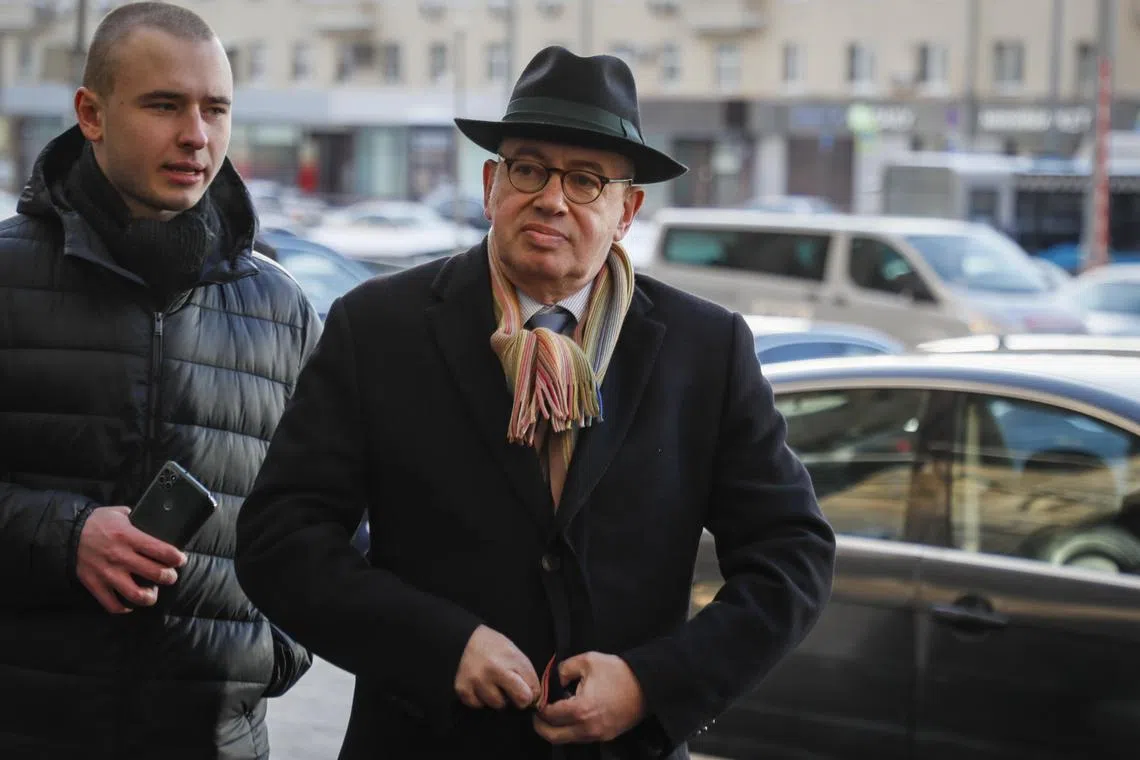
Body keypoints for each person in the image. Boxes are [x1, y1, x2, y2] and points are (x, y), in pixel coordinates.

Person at [235, 46, 835, 760]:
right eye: (529, 169)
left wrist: (651, 684)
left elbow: (792, 553)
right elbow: (281, 538)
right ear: (492, 184)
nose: (552, 198)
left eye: (587, 180)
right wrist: (439, 646)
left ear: (627, 210)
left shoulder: (705, 350)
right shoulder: (378, 327)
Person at [0, 3, 320, 758]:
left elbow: (336, 526)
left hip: (214, 741)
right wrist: (66, 535)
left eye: (215, 109)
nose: (196, 136)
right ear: (92, 113)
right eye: (164, 105)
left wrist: (266, 658)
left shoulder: (282, 308)